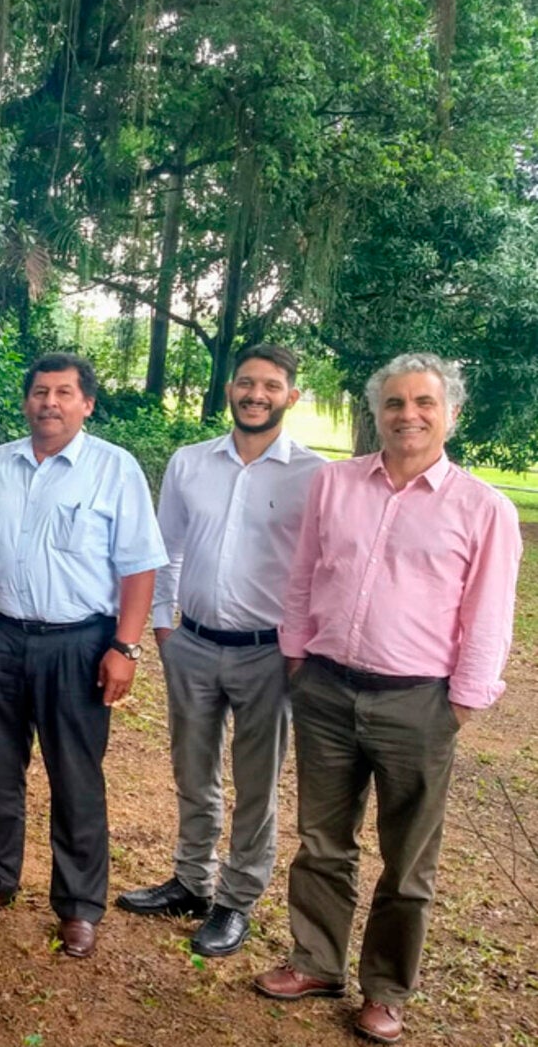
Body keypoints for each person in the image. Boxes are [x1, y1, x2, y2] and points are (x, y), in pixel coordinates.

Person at [256, 353, 522, 1045]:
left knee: (408, 860)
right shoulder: (334, 485)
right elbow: (305, 570)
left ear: (450, 413)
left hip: (419, 703)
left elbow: (489, 613)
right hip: (326, 690)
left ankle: (385, 989)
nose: (409, 414)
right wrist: (295, 651)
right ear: (376, 412)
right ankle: (316, 960)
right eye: (395, 402)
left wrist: (459, 703)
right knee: (322, 841)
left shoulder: (482, 507)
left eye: (424, 403)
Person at [0, 352, 166, 958]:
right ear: (26, 401)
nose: (50, 403)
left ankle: (78, 905)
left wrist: (126, 646)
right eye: (40, 392)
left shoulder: (114, 469)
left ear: (87, 403)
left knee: (76, 778)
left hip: (79, 643)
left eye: (64, 393)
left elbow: (140, 566)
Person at [116, 344, 325, 957]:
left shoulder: (314, 476)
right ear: (229, 389)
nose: (255, 394)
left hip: (269, 653)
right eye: (245, 383)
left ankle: (236, 901)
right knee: (193, 771)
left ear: (291, 395)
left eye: (270, 385)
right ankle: (190, 880)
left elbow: (317, 568)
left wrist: (300, 646)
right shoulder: (189, 463)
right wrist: (162, 627)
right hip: (195, 644)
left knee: (256, 785)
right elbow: (168, 547)